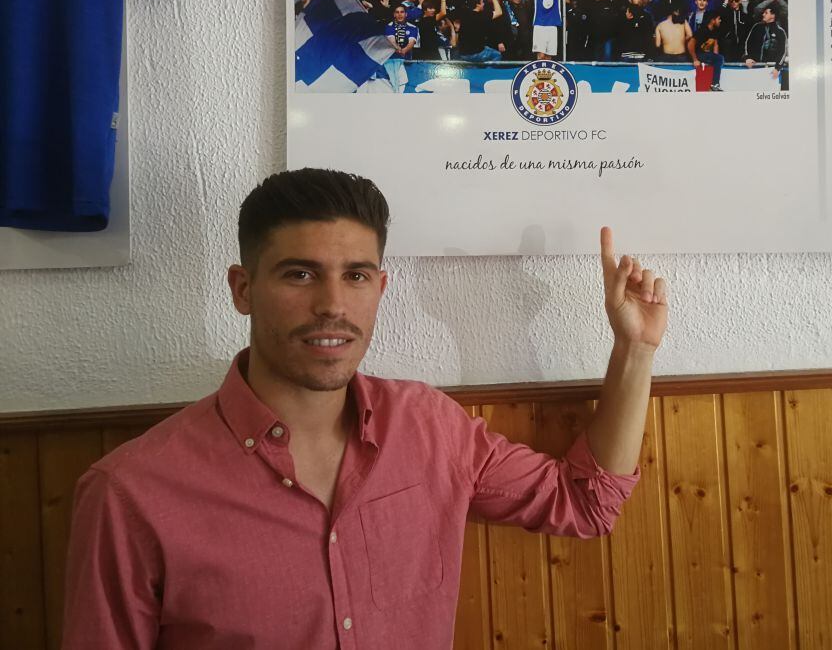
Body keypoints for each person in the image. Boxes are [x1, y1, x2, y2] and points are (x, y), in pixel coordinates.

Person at [63, 168, 668, 649]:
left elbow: (587, 503)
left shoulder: (429, 426)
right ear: (242, 289)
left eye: (355, 275)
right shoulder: (132, 493)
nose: (332, 305)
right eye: (299, 274)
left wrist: (635, 349)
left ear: (379, 289)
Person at [744, 5, 788, 80]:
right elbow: (748, 43)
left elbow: (782, 51)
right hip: (754, 67)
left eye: (766, 13)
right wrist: (747, 58)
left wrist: (777, 68)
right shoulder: (757, 27)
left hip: (771, 69)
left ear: (773, 15)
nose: (763, 14)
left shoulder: (780, 32)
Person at [688, 11, 726, 91]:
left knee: (719, 58)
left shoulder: (715, 31)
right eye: (718, 19)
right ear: (712, 20)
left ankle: (714, 84)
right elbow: (690, 44)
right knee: (719, 58)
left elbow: (715, 46)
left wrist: (716, 59)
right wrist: (695, 60)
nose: (720, 21)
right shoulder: (702, 30)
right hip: (699, 54)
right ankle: (715, 84)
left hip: (708, 55)